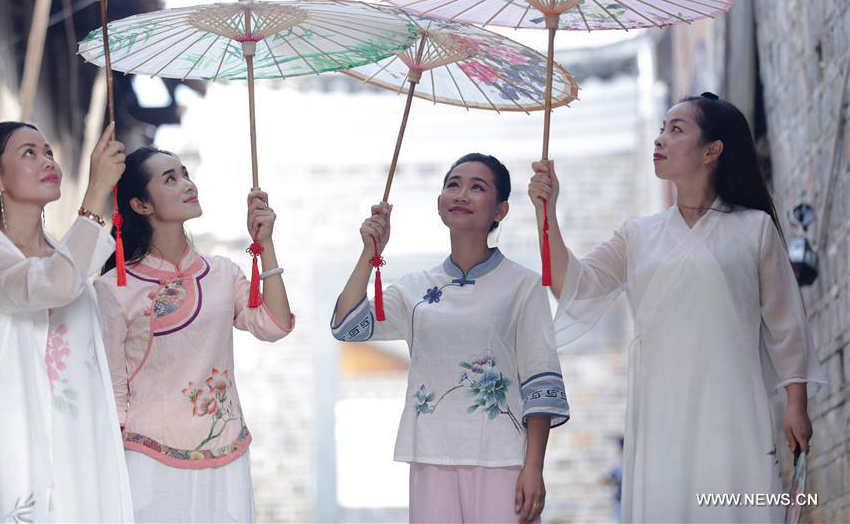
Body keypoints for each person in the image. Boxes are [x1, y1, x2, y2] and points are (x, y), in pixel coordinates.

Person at [530, 93, 826, 523]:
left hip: (732, 409)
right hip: (660, 414)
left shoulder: (753, 229)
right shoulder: (637, 235)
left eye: (676, 129)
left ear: (712, 151)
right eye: (660, 129)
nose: (660, 139)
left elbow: (786, 324)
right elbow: (572, 285)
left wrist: (796, 403)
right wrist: (547, 213)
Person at [333, 153, 569, 524]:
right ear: (439, 202)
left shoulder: (522, 285)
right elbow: (346, 325)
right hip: (431, 457)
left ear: (501, 210)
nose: (461, 194)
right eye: (453, 185)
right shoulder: (414, 289)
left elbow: (540, 380)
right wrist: (370, 254)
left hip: (502, 459)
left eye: (478, 187)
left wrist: (533, 467)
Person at [94, 146, 294, 523]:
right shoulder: (114, 288)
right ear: (140, 205)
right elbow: (113, 394)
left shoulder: (222, 273)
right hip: (147, 460)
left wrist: (264, 245)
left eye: (185, 173)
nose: (188, 184)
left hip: (226, 454)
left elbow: (275, 325)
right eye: (171, 178)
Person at [0, 121, 132, 522]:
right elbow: (52, 285)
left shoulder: (69, 257)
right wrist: (95, 194)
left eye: (48, 151)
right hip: (8, 451)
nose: (48, 160)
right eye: (29, 153)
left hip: (76, 448)